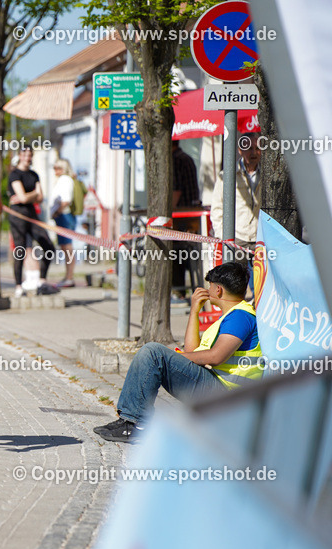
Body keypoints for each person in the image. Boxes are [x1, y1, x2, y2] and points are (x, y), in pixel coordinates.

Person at [94, 263, 263, 443]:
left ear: (218, 290)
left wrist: (176, 357)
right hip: (218, 388)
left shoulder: (240, 317)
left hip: (227, 396)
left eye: (210, 286)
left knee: (153, 352)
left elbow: (216, 357)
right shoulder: (231, 316)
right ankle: (128, 420)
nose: (208, 289)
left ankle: (136, 424)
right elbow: (193, 353)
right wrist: (194, 311)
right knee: (154, 352)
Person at [8, 148, 56, 296]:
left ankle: (42, 281)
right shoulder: (14, 174)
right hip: (18, 216)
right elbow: (22, 198)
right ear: (20, 156)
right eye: (25, 155)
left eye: (30, 155)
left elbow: (39, 197)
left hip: (32, 214)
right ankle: (18, 286)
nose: (28, 158)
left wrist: (29, 196)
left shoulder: (34, 175)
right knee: (20, 250)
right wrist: (33, 194)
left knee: (48, 246)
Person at [211, 133, 259, 254]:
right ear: (240, 150)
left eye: (257, 148)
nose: (254, 153)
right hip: (236, 238)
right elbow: (217, 208)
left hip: (261, 238)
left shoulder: (268, 175)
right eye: (249, 148)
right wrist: (223, 236)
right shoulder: (226, 175)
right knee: (235, 273)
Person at [172, 140, 202, 298]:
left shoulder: (176, 159)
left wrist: (167, 213)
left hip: (181, 217)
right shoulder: (187, 158)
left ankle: (179, 293)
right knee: (191, 257)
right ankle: (196, 291)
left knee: (176, 254)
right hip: (191, 215)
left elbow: (176, 191)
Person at [50, 159, 77, 288]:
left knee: (67, 247)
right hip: (62, 216)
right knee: (64, 247)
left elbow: (66, 200)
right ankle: (67, 276)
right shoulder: (61, 180)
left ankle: (69, 277)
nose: (55, 170)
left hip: (65, 216)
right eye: (54, 167)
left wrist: (56, 212)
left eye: (58, 168)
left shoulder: (65, 180)